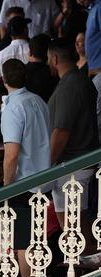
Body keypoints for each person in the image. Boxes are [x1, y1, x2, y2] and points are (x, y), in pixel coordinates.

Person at [0, 59, 51, 277]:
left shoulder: (13, 108)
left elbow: (11, 156)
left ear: (3, 80)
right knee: (38, 239)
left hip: (24, 184)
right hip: (46, 180)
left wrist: (6, 188)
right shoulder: (40, 101)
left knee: (23, 241)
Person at [47, 38, 100, 249]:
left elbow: (61, 131)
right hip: (73, 164)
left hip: (73, 165)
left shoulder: (72, 84)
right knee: (72, 227)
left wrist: (45, 165)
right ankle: (83, 269)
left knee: (75, 227)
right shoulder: (76, 80)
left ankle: (87, 273)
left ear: (55, 58)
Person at [0, 16, 30, 89]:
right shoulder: (35, 50)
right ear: (26, 30)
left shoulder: (1, 55)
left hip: (10, 98)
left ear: (10, 35)